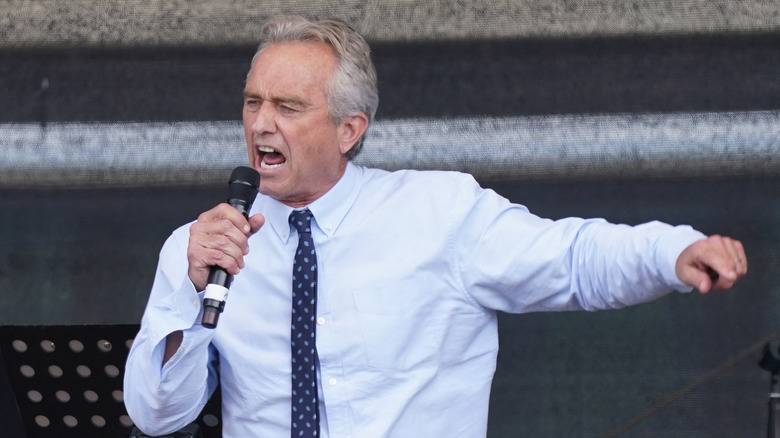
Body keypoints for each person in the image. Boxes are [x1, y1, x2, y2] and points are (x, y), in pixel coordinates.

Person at [123, 15, 748, 437]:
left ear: (350, 130)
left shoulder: (438, 213)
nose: (261, 124)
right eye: (253, 101)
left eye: (288, 107)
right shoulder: (201, 245)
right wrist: (191, 290)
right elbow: (157, 415)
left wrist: (671, 251)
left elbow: (572, 260)